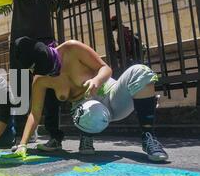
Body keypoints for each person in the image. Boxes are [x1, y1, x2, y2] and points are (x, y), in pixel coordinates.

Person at [12, 39, 169, 162]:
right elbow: (35, 113)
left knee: (140, 71)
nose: (52, 72)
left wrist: (97, 80)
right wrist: (23, 144)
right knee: (88, 112)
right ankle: (86, 135)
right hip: (90, 113)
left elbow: (105, 68)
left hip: (112, 96)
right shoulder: (40, 80)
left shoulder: (71, 48)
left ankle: (149, 138)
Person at [9, 0, 87, 154]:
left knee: (50, 92)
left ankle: (53, 136)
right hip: (20, 47)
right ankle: (20, 136)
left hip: (44, 46)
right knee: (20, 91)